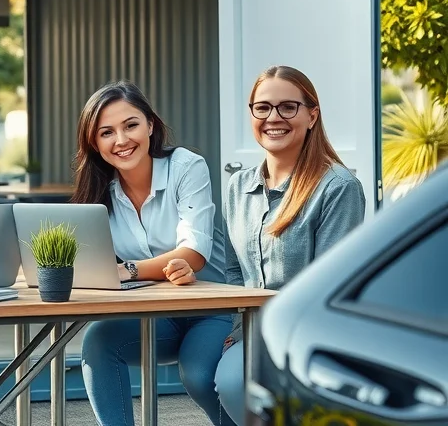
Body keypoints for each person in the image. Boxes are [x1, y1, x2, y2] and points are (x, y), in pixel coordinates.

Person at [75, 81, 234, 426]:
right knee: (99, 341)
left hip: (212, 310)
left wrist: (127, 270)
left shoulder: (186, 167)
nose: (121, 140)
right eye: (106, 132)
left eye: (130, 125)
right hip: (156, 315)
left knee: (200, 375)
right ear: (94, 142)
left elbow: (193, 253)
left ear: (150, 125)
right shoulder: (98, 193)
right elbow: (92, 263)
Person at [214, 66, 365, 424]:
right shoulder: (238, 187)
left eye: (288, 107)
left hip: (301, 335)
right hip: (249, 327)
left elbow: (327, 289)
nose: (273, 118)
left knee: (234, 384)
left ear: (312, 115)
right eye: (262, 107)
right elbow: (235, 272)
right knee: (198, 370)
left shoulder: (337, 187)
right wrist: (238, 331)